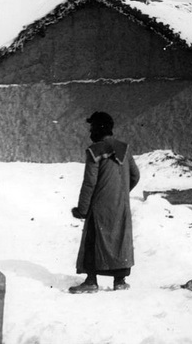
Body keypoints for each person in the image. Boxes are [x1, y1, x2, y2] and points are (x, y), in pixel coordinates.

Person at [69, 111, 140, 294]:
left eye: (91, 127)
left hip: (100, 206)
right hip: (121, 206)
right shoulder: (125, 148)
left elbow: (89, 183)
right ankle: (120, 281)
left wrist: (82, 209)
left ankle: (91, 281)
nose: (90, 132)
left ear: (99, 128)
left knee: (93, 240)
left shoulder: (95, 150)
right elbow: (135, 175)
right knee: (119, 240)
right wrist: (121, 193)